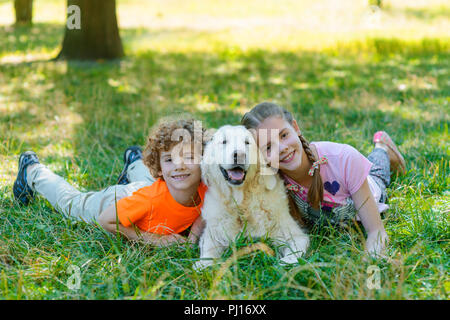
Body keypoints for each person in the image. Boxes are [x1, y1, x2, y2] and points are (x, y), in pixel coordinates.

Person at [241, 102, 407, 257]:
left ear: (295, 128)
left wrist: (371, 265)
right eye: (268, 147)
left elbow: (376, 232)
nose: (282, 148)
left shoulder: (344, 158)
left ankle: (382, 146)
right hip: (335, 216)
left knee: (378, 172)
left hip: (369, 188)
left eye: (284, 135)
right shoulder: (271, 181)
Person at [13, 117, 209, 247]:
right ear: (158, 168)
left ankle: (134, 162)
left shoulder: (208, 186)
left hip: (148, 187)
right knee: (72, 203)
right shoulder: (149, 200)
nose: (180, 165)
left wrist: (192, 238)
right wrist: (155, 239)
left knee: (150, 183)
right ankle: (32, 171)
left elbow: (206, 209)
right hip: (117, 202)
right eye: (169, 159)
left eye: (190, 157)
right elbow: (106, 220)